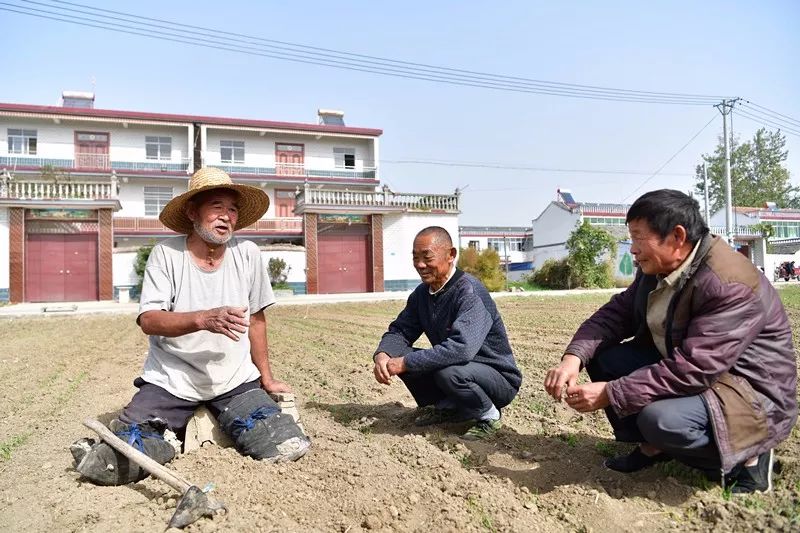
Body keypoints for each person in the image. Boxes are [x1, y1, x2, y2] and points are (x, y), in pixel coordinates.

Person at [544, 189, 797, 494]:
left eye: (639, 238)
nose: (633, 250)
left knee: (661, 421)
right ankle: (655, 447)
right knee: (603, 357)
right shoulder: (658, 266)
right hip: (695, 367)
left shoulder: (727, 283)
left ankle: (750, 456)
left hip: (749, 391)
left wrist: (613, 392)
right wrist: (573, 358)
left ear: (677, 237)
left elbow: (695, 368)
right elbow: (617, 313)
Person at [71, 167, 310, 485]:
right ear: (192, 211)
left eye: (233, 209)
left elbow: (256, 320)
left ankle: (185, 433)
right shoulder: (165, 255)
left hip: (234, 379)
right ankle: (163, 440)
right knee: (114, 461)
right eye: (217, 206)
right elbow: (149, 320)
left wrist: (266, 378)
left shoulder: (248, 254)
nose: (227, 216)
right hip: (171, 379)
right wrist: (201, 318)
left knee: (284, 444)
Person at [373, 226, 522, 440]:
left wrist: (406, 363)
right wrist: (384, 354)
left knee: (445, 370)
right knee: (403, 355)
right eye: (415, 258)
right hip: (461, 369)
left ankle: (488, 415)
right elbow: (401, 330)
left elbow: (462, 349)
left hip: (497, 378)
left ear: (451, 255)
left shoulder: (469, 291)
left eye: (427, 257)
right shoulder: (422, 295)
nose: (420, 265)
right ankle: (448, 408)